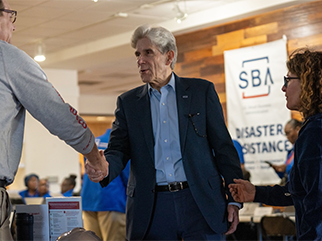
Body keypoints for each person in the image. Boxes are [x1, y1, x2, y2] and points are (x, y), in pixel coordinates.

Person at [0, 0, 107, 240]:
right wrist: (95, 159)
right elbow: (59, 115)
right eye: (11, 16)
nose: (14, 26)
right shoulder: (4, 56)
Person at [86, 24, 243, 241]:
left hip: (200, 202)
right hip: (152, 207)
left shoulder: (201, 92)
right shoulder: (128, 103)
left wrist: (235, 199)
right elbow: (118, 150)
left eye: (148, 52)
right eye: (138, 54)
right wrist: (103, 169)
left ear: (169, 57)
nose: (140, 60)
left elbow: (224, 148)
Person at [229, 48, 322, 240]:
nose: (283, 88)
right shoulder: (316, 126)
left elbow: (319, 203)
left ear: (307, 83)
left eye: (287, 80)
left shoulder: (317, 130)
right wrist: (256, 192)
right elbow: (297, 192)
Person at [81, 128, 129, 241]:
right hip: (112, 201)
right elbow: (128, 176)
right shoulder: (120, 146)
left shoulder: (93, 143)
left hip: (88, 201)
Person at [268, 119, 301, 185]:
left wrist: (286, 168)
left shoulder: (304, 149)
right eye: (285, 134)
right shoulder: (291, 152)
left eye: (288, 133)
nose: (287, 137)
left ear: (298, 129)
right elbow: (286, 175)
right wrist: (280, 170)